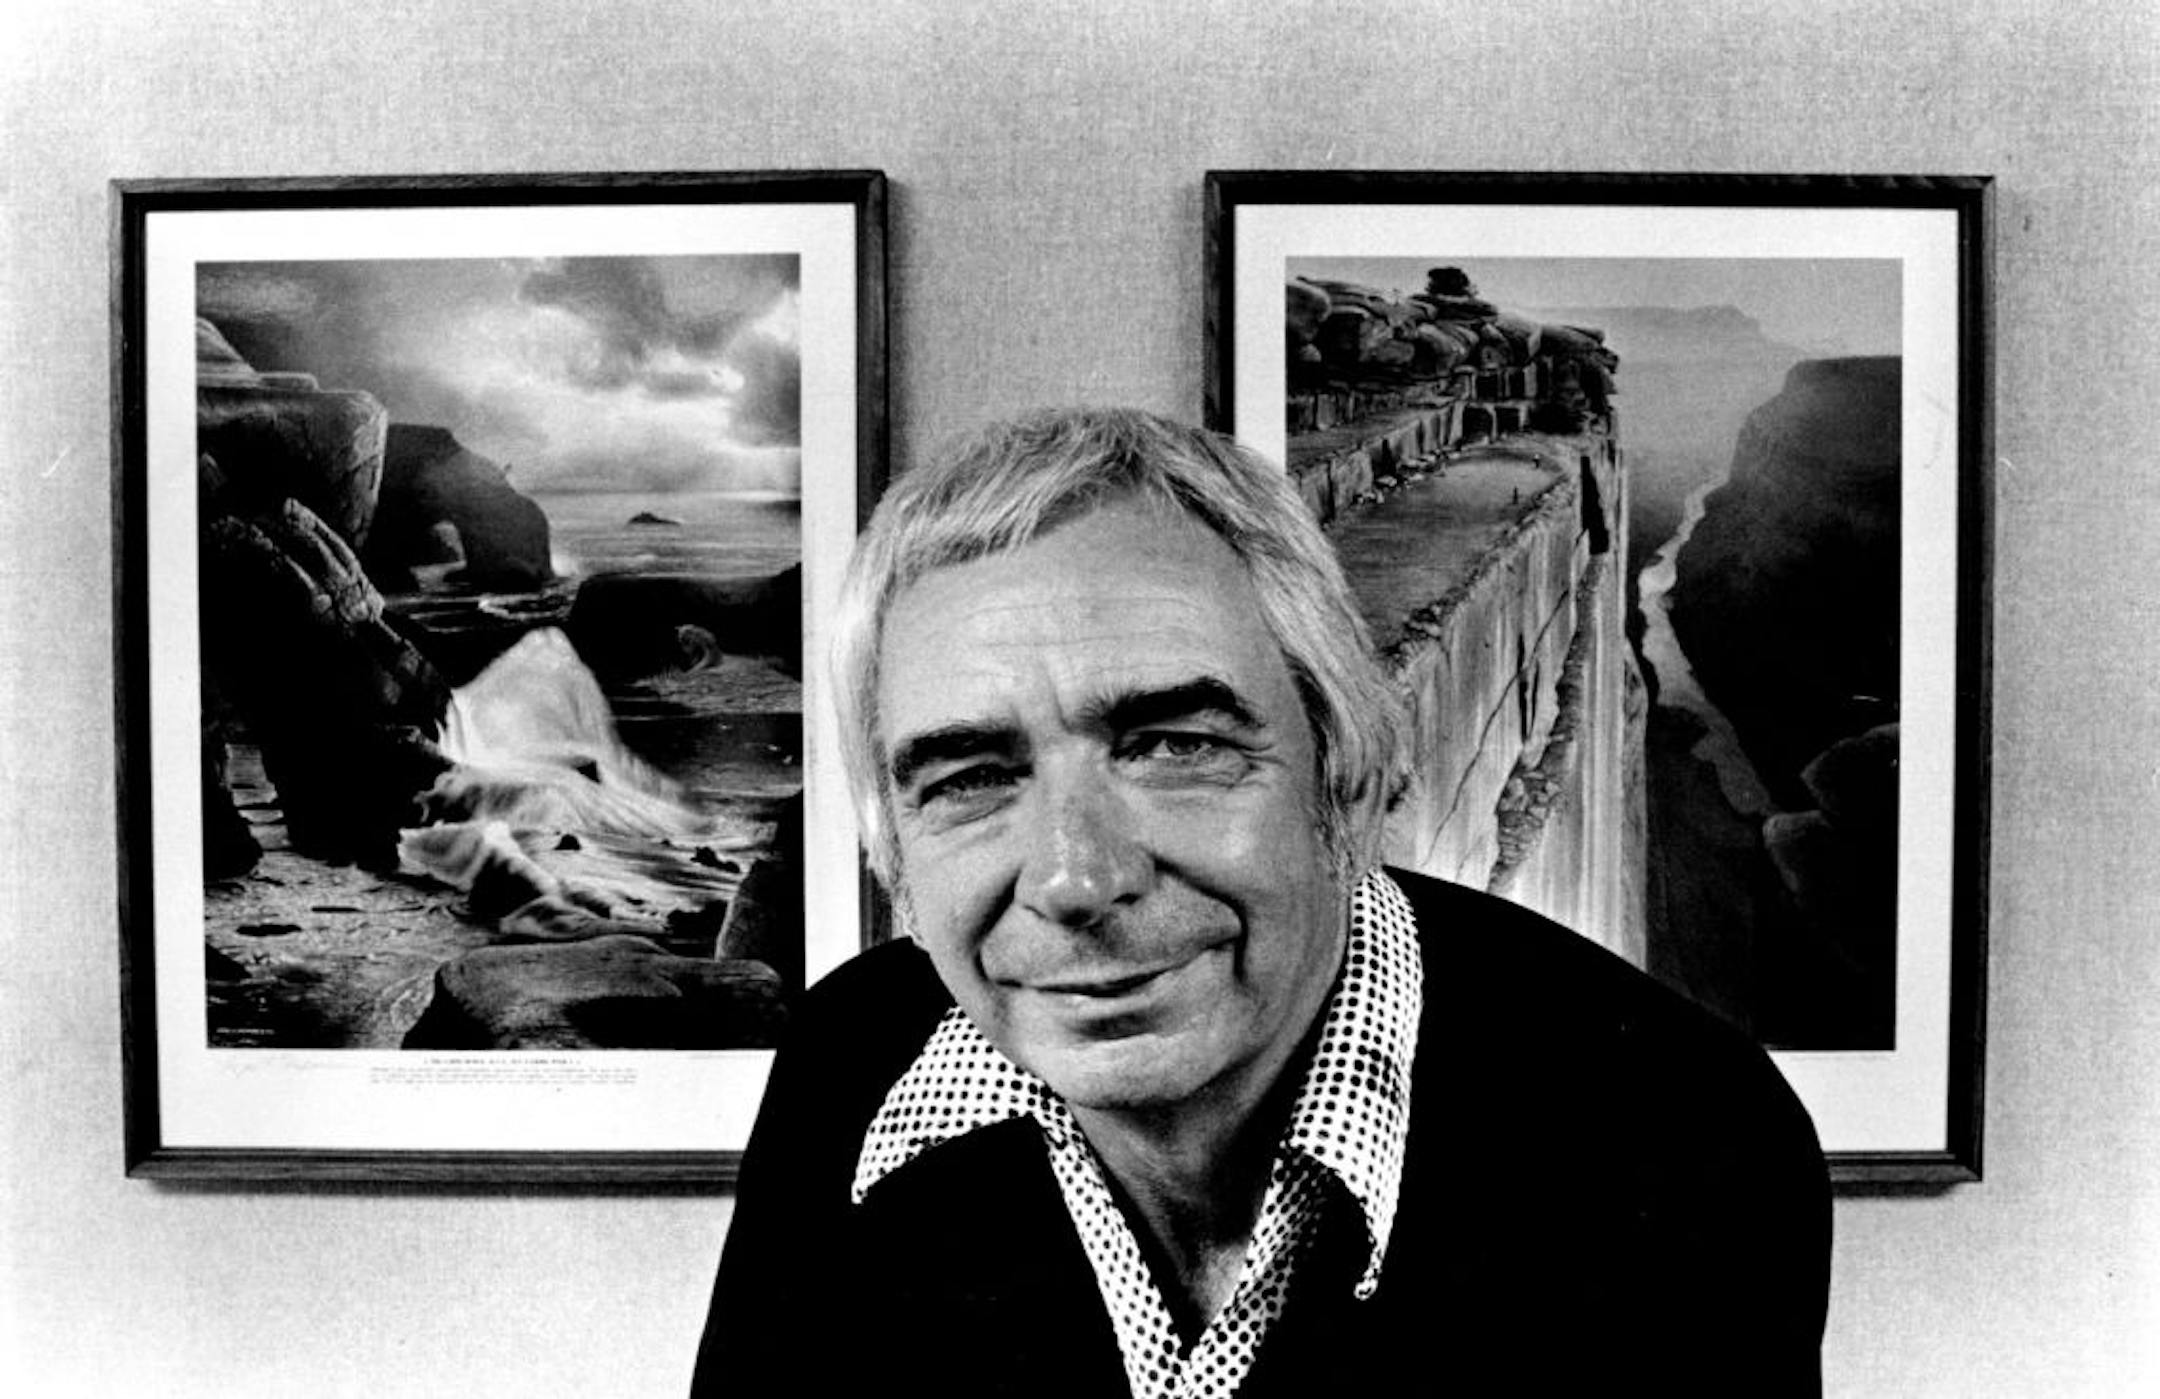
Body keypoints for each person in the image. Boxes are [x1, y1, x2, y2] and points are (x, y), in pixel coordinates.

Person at [691, 407, 1830, 1397]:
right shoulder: (849, 1065)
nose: (1076, 879)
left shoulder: (1679, 1146)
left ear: (1349, 766)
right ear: (895, 848)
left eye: (1174, 745)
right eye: (973, 778)